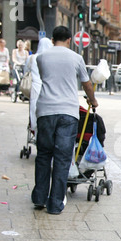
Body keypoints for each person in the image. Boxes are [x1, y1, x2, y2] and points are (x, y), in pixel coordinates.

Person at [31, 26, 98, 215]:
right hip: (68, 112)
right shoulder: (76, 58)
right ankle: (55, 204)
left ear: (53, 40)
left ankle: (39, 198)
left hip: (45, 110)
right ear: (69, 40)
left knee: (44, 155)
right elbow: (86, 83)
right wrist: (92, 100)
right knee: (62, 158)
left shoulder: (41, 58)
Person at [27, 37, 53, 134]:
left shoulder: (32, 57)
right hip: (48, 89)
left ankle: (35, 130)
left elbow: (26, 70)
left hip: (36, 88)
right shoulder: (52, 58)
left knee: (35, 110)